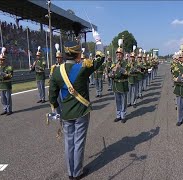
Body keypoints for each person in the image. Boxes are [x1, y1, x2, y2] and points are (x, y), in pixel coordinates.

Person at [49, 36, 105, 180]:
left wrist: (56, 109)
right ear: (78, 54)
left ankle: (70, 172)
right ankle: (77, 172)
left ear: (66, 53)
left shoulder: (55, 71)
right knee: (79, 141)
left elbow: (52, 96)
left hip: (66, 113)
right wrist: (98, 42)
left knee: (69, 143)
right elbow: (100, 59)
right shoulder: (83, 67)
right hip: (81, 111)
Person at [109, 40, 129, 123]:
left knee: (123, 101)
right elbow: (110, 74)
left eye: (120, 55)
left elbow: (127, 73)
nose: (118, 56)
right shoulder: (113, 63)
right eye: (117, 55)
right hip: (116, 85)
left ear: (122, 55)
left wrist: (119, 68)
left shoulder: (126, 63)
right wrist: (112, 72)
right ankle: (118, 115)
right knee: (117, 101)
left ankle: (123, 115)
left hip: (123, 84)